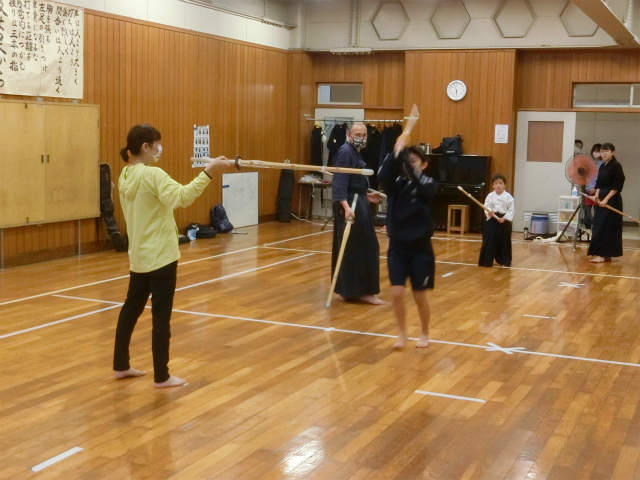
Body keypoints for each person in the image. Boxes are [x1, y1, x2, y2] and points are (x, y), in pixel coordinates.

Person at [113, 124, 229, 388]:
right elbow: (182, 197)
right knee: (160, 317)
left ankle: (121, 364)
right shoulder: (151, 175)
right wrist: (209, 172)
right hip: (161, 257)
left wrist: (212, 166)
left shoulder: (125, 175)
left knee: (131, 310)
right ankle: (162, 376)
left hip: (139, 256)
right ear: (145, 146)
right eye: (157, 144)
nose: (159, 149)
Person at [378, 141, 437, 349]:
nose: (409, 165)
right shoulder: (396, 184)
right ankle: (402, 333)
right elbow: (383, 176)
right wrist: (396, 152)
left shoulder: (428, 183)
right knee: (396, 293)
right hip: (398, 248)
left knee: (419, 295)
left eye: (414, 161)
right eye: (407, 162)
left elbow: (424, 189)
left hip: (421, 250)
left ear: (424, 164)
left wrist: (406, 159)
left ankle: (424, 332)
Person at [331, 122, 383, 305]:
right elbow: (339, 182)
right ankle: (358, 291)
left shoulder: (355, 152)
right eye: (357, 134)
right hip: (350, 205)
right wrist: (346, 207)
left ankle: (353, 291)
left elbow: (354, 183)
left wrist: (367, 196)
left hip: (358, 201)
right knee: (360, 247)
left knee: (361, 247)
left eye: (364, 134)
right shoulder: (345, 152)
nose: (361, 137)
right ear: (349, 135)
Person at [588, 143, 625, 263]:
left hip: (612, 200)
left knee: (607, 227)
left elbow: (616, 186)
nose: (603, 154)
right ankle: (603, 254)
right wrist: (596, 195)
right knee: (598, 226)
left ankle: (604, 255)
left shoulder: (616, 166)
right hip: (601, 199)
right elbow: (599, 183)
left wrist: (606, 199)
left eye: (606, 151)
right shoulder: (603, 166)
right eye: (602, 151)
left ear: (612, 152)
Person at [478, 173, 514, 267]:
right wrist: (489, 212)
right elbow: (486, 206)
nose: (498, 185)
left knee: (504, 241)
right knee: (489, 240)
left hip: (504, 221)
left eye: (500, 183)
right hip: (492, 220)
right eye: (496, 183)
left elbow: (511, 210)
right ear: (493, 185)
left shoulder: (508, 197)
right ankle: (486, 261)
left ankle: (504, 261)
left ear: (504, 185)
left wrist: (504, 218)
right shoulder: (490, 196)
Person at [582, 143, 602, 230]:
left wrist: (596, 189)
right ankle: (587, 227)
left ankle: (596, 228)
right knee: (587, 211)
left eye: (598, 151)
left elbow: (602, 179)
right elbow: (584, 177)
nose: (596, 153)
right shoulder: (588, 163)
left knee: (598, 211)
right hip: (587, 190)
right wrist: (586, 188)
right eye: (595, 151)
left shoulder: (603, 164)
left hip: (598, 191)